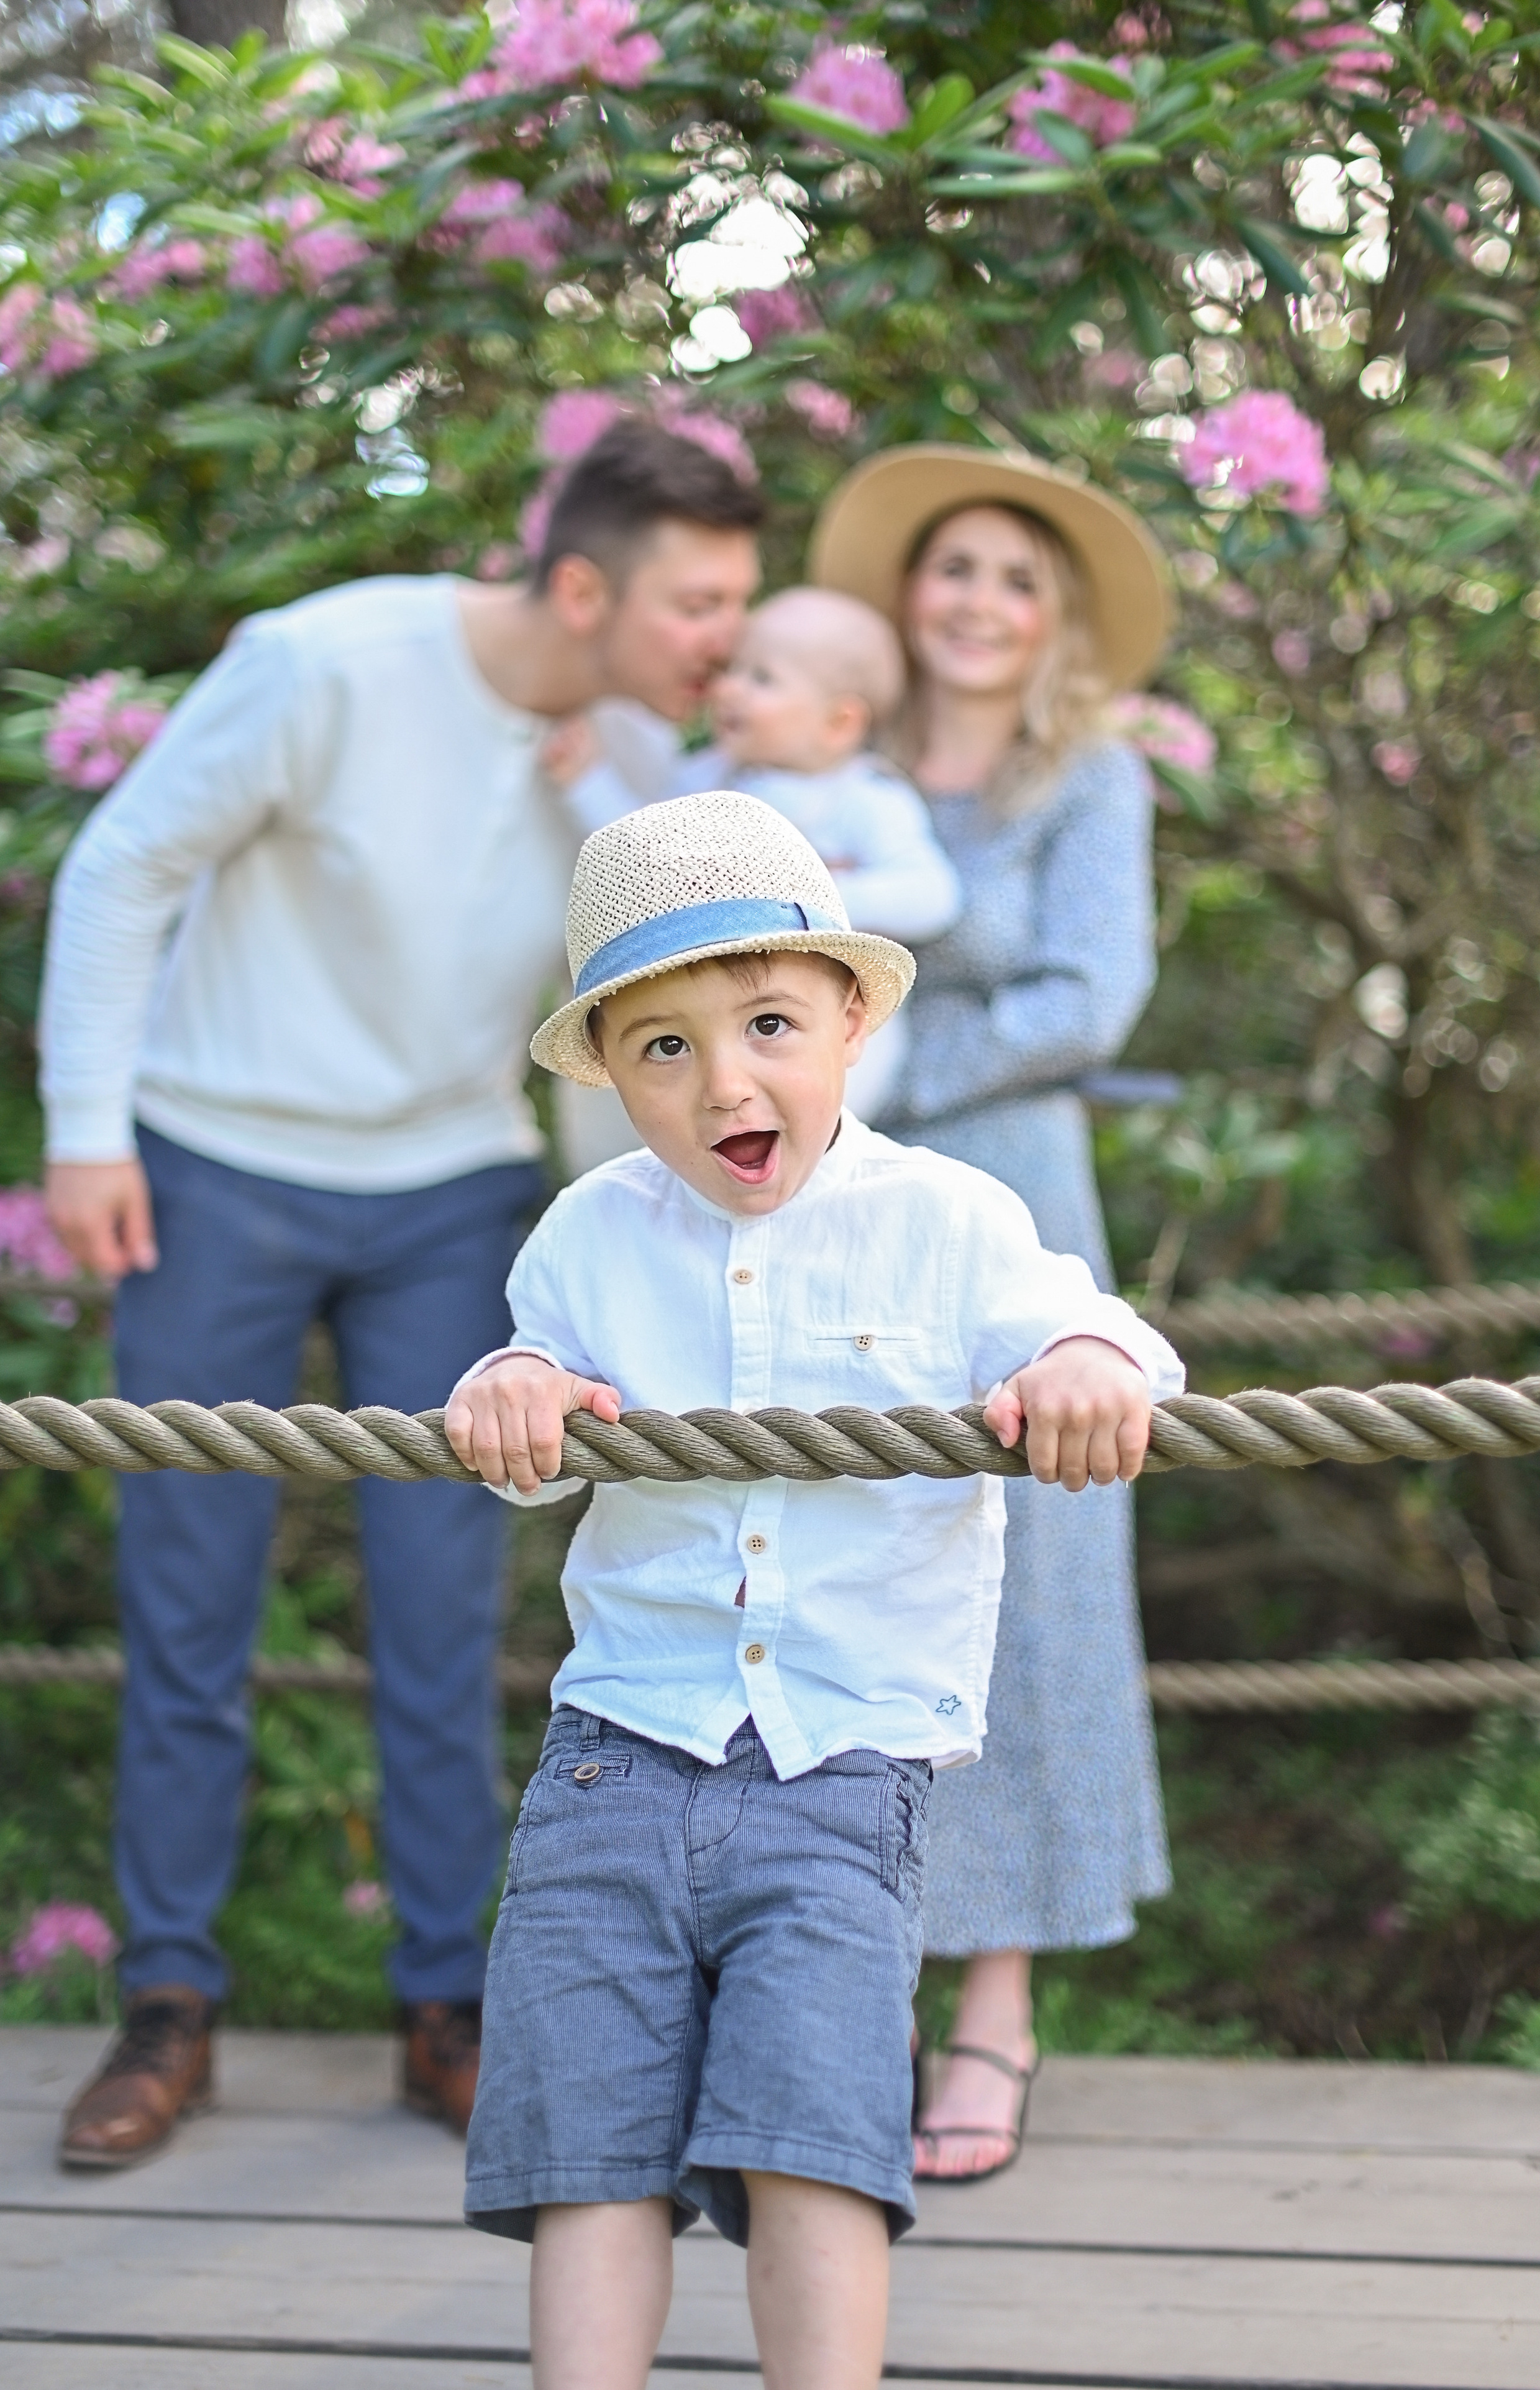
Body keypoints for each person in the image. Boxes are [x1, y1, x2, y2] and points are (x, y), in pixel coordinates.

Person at [37, 422, 763, 2171]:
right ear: (581, 586)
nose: (723, 642)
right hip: (215, 1170)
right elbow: (126, 865)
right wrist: (84, 1130)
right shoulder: (325, 661)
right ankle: (168, 2000)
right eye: (696, 604)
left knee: (445, 1623)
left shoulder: (640, 757)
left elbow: (652, 1021)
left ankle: (447, 2001)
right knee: (188, 1604)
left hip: (450, 1199)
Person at [442, 789, 1184, 2390]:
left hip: (842, 1768)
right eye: (663, 1047)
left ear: (851, 1019)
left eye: (768, 1023)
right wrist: (514, 1386)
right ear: (609, 1072)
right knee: (587, 2147)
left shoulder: (948, 1220)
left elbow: (1111, 1339)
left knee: (814, 2138)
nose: (724, 1082)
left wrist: (1077, 1360)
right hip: (613, 1757)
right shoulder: (587, 1233)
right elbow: (533, 1436)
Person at [810, 444, 1173, 2182]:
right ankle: (847, 1976)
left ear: (1053, 622)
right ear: (906, 593)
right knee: (843, 1560)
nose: (977, 599)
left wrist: (872, 1067)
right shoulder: (836, 762)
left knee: (1024, 1580)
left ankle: (998, 2006)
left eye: (1016, 579)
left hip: (1012, 1196)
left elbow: (1088, 994)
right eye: (952, 565)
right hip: (827, 1208)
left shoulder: (1088, 777)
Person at [560, 585, 961, 1119]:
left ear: (839, 722)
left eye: (762, 678)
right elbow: (640, 855)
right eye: (733, 669)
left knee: (820, 1113)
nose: (728, 688)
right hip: (715, 1017)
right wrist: (586, 780)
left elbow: (933, 896)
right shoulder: (710, 776)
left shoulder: (866, 798)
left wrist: (811, 897)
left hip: (822, 1016)